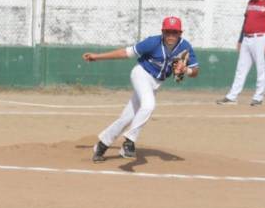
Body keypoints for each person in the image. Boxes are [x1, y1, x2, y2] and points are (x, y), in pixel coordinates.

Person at [82, 16, 199, 162]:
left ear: (180, 33)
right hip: (141, 75)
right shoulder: (153, 42)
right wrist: (97, 57)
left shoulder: (185, 46)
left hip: (155, 83)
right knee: (148, 105)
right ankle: (129, 142)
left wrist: (185, 70)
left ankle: (101, 146)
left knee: (127, 118)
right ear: (162, 32)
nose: (170, 35)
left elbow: (195, 71)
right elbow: (125, 53)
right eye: (167, 32)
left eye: (174, 32)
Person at [217, 0, 265, 106]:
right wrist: (240, 39)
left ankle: (258, 98)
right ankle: (232, 97)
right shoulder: (250, 2)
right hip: (247, 38)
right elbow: (246, 21)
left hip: (261, 38)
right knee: (241, 68)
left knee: (261, 68)